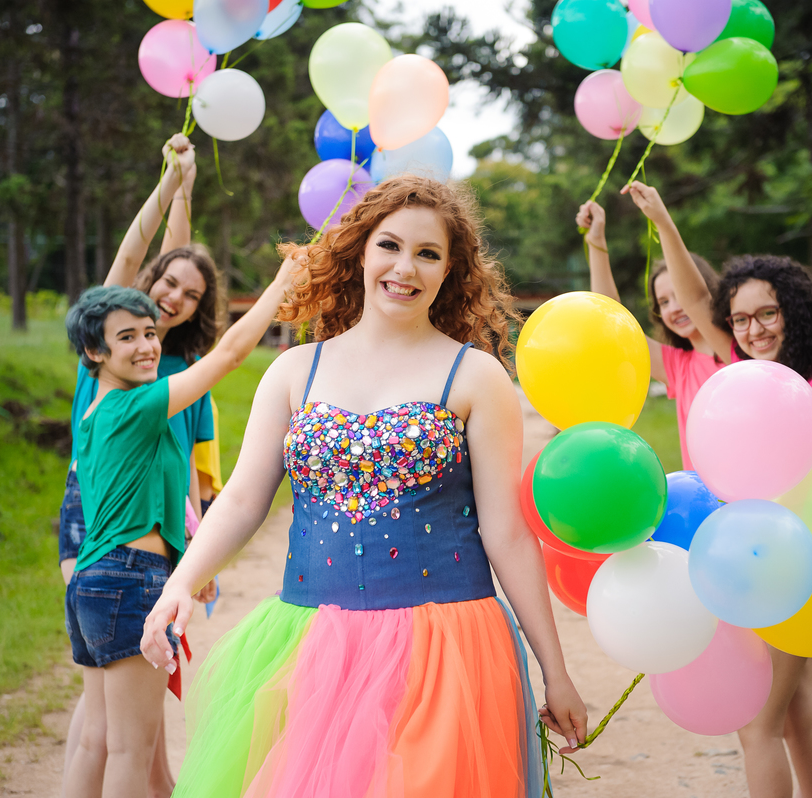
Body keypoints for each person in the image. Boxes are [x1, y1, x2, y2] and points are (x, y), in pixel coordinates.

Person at [141, 175, 588, 798]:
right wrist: (181, 583)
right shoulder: (296, 370)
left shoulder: (477, 377)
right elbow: (244, 500)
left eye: (428, 253)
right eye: (390, 245)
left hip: (445, 648)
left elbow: (506, 533)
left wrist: (555, 672)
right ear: (359, 251)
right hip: (313, 644)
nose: (405, 267)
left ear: (450, 271)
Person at [622, 179, 812, 798]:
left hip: (784, 568)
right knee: (799, 716)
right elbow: (701, 310)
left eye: (768, 314)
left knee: (759, 727)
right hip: (755, 561)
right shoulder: (747, 377)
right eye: (743, 319)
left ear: (793, 314)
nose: (753, 329)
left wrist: (662, 220)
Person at [61, 249, 294, 798]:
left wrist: (193, 555)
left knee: (97, 740)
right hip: (129, 578)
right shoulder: (136, 407)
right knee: (130, 751)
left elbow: (168, 492)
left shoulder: (94, 409)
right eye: (127, 338)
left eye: (150, 332)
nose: (146, 345)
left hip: (93, 582)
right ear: (95, 352)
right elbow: (233, 352)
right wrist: (285, 278)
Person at [56, 134, 218, 797]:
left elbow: (196, 474)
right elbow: (135, 255)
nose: (174, 296)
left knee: (124, 692)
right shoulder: (112, 343)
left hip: (161, 518)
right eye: (167, 283)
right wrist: (174, 182)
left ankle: (158, 787)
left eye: (189, 294)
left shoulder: (177, 370)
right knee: (106, 692)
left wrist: (199, 551)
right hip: (93, 514)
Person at [575, 199, 723, 470]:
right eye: (664, 302)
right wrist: (596, 241)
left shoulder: (741, 351)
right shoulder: (678, 367)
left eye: (679, 296)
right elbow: (612, 320)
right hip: (707, 506)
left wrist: (662, 221)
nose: (675, 308)